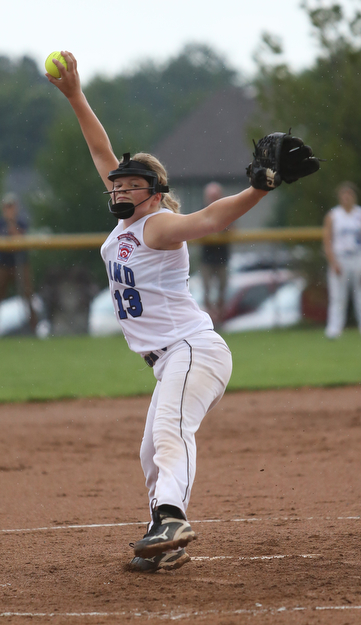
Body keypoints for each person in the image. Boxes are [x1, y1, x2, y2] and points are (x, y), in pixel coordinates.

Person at [46, 51, 268, 573]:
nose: (119, 188)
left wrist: (260, 187)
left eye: (131, 184)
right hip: (170, 358)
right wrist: (76, 95)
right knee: (151, 454)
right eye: (117, 184)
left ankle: (171, 516)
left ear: (156, 192)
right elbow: (102, 150)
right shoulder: (129, 222)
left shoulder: (158, 225)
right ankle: (166, 540)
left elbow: (212, 218)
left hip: (192, 349)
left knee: (171, 431)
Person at [323, 181, 361, 339]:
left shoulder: (359, 214)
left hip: (358, 257)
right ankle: (334, 330)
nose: (346, 198)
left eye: (349, 194)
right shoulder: (333, 215)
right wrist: (333, 262)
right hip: (340, 257)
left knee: (360, 295)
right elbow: (327, 241)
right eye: (344, 195)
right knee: (338, 296)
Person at [0, 192, 37, 332]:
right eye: (7, 207)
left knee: (28, 296)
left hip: (20, 264)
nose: (10, 210)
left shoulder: (21, 222)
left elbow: (19, 237)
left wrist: (12, 223)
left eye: (12, 206)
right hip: (3, 264)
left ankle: (33, 328)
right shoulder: (0, 223)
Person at [200, 182, 230, 324]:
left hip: (222, 258)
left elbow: (231, 229)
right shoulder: (202, 211)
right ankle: (209, 319)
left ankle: (220, 320)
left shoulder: (226, 210)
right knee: (206, 291)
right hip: (207, 258)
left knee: (222, 290)